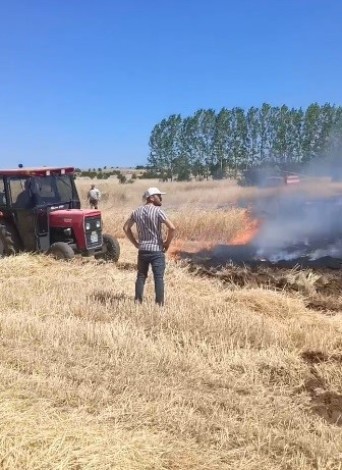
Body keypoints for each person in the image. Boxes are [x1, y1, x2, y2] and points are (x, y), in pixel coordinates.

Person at [123, 187, 175, 306]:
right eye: (158, 196)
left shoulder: (137, 212)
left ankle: (137, 301)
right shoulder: (158, 211)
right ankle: (159, 304)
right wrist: (167, 243)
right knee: (158, 278)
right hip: (156, 250)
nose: (161, 198)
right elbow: (172, 228)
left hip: (143, 250)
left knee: (141, 276)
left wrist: (136, 243)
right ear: (151, 198)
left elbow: (126, 228)